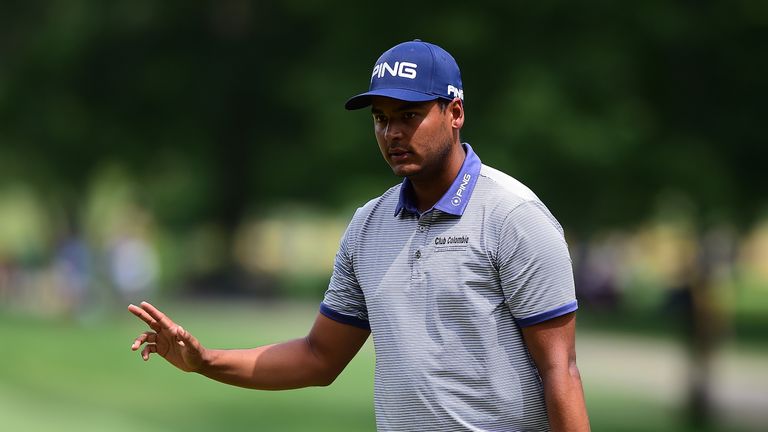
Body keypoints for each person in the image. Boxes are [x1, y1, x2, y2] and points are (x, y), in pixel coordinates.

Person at [129, 40, 590, 431]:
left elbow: (560, 371)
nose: (392, 132)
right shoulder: (369, 226)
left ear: (455, 112)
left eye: (409, 116)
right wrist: (206, 360)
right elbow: (318, 357)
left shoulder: (513, 216)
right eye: (381, 118)